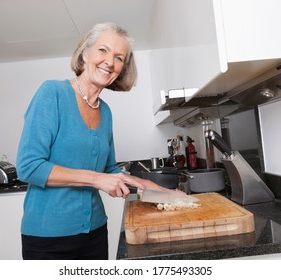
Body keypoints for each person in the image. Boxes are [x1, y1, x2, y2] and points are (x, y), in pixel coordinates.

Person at [16, 22, 172, 260]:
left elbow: (108, 169)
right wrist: (97, 179)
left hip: (95, 232)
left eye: (119, 57)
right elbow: (29, 166)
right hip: (48, 237)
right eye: (103, 50)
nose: (110, 61)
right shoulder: (52, 93)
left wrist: (151, 188)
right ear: (85, 53)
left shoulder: (105, 111)